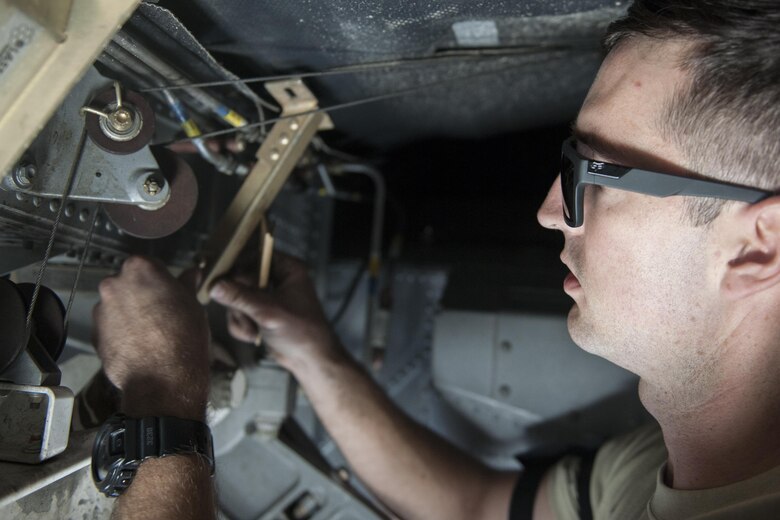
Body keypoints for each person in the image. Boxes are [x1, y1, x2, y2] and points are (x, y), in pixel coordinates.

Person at [92, 1, 780, 518]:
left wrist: (162, 401)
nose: (549, 210)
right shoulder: (664, 468)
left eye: (598, 174)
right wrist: (313, 353)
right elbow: (477, 506)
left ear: (759, 243)